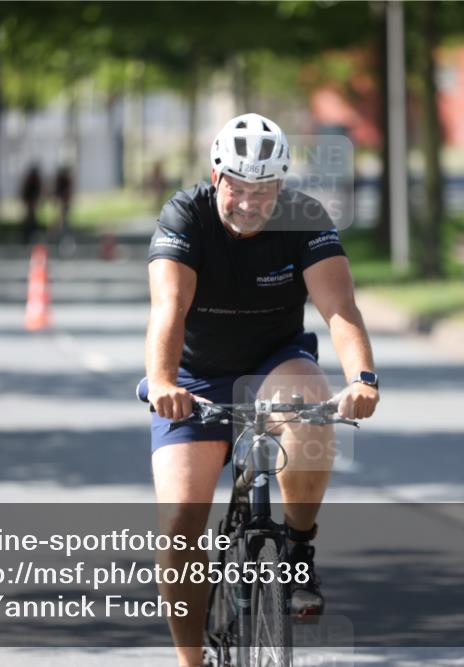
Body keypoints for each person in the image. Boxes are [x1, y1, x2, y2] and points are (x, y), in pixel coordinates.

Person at [141, 113, 380, 667]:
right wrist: (163, 382)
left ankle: (298, 550)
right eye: (240, 189)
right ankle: (191, 661)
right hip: (195, 376)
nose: (251, 202)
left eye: (265, 190)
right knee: (180, 527)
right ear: (217, 176)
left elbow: (338, 306)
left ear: (282, 185)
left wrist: (362, 377)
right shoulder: (185, 215)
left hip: (274, 362)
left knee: (312, 416)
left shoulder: (303, 217)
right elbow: (169, 308)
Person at [19, 163, 42, 243]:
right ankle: (27, 236)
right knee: (29, 219)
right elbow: (26, 191)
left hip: (32, 201)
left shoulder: (35, 180)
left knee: (32, 218)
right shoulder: (30, 180)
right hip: (30, 201)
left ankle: (32, 235)